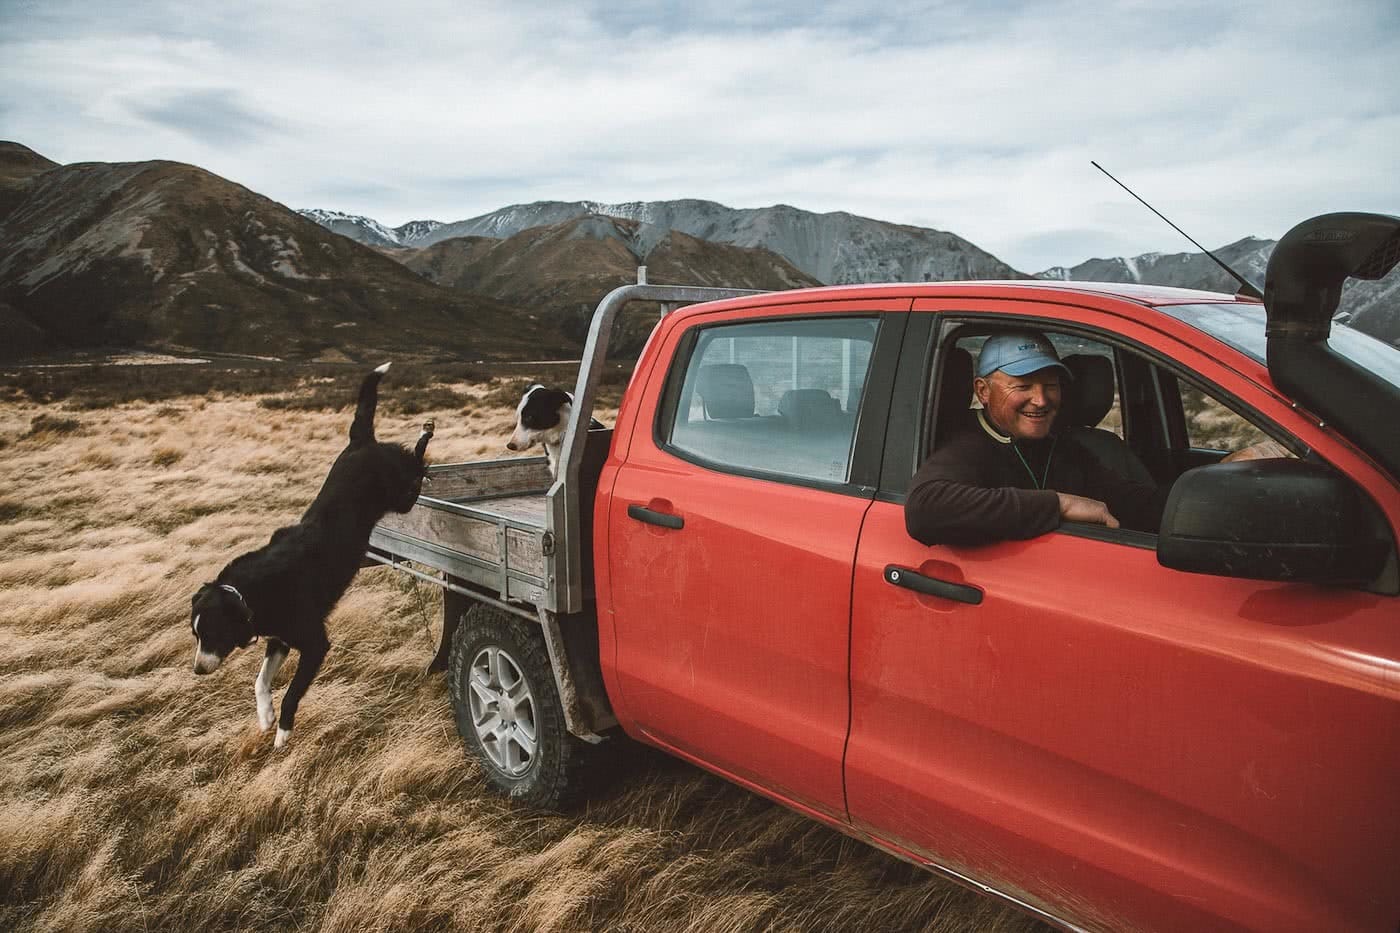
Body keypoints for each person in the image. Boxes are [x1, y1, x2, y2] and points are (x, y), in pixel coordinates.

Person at [905, 331, 1166, 546]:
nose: (1041, 400)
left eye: (1051, 385)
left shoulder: (1065, 448)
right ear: (983, 391)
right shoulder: (966, 444)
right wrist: (1059, 504)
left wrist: (1188, 511)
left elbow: (1128, 499)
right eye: (1023, 386)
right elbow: (924, 509)